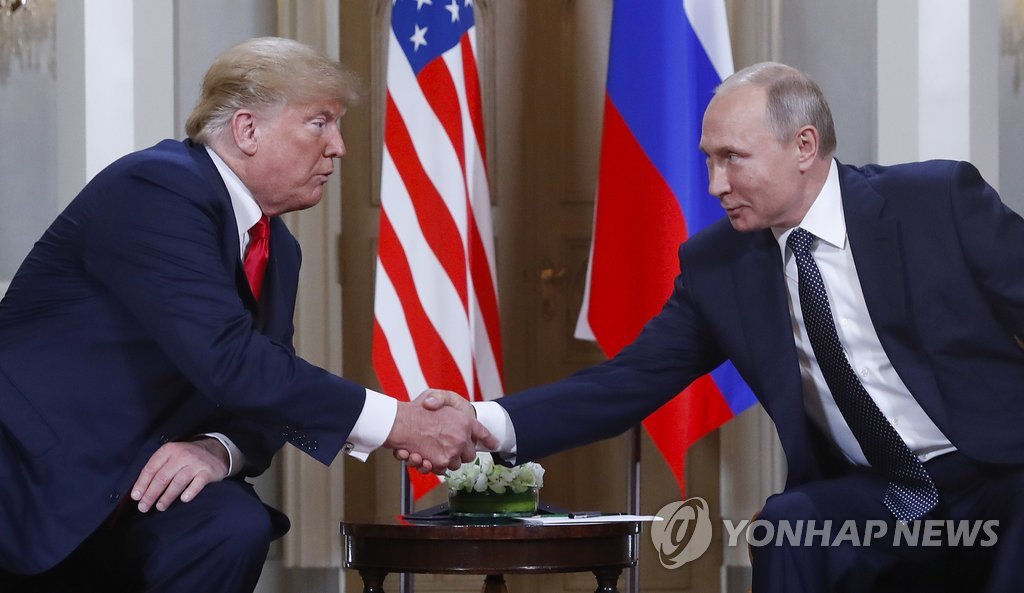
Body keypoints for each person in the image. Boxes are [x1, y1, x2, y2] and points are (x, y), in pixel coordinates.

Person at [411, 62, 1024, 592]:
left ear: (804, 146)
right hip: (880, 493)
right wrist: (484, 421)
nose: (715, 185)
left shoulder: (935, 201)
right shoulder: (719, 266)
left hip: (999, 473)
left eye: (732, 158)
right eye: (709, 160)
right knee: (790, 525)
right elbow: (629, 381)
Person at [0, 37, 494, 593]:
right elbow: (229, 359)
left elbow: (265, 390)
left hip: (142, 476)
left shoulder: (278, 248)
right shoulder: (157, 187)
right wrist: (399, 422)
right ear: (247, 130)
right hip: (36, 468)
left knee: (231, 525)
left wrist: (219, 449)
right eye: (320, 123)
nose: (338, 147)